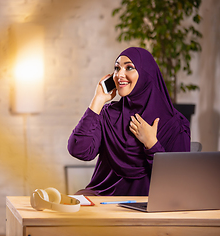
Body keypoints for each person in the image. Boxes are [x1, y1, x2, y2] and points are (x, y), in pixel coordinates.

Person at [67, 47, 191, 196]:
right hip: (103, 201)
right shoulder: (108, 114)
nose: (119, 74)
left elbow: (177, 184)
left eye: (129, 68)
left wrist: (151, 144)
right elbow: (79, 150)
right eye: (117, 68)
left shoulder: (174, 124)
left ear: (146, 74)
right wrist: (98, 100)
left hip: (147, 207)